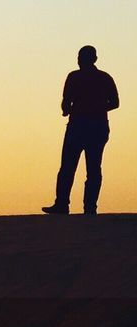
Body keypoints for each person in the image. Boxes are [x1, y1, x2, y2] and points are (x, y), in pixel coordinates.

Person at [43, 45, 119, 215]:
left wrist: (87, 108)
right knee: (84, 168)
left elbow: (66, 103)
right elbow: (114, 103)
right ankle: (79, 206)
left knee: (78, 167)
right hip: (92, 126)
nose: (79, 60)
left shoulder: (79, 77)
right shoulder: (100, 78)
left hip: (84, 125)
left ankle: (75, 206)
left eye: (81, 57)